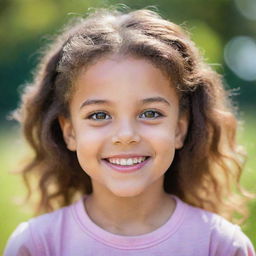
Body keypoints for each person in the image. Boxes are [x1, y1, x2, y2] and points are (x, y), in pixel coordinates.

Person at [4, 6, 255, 256]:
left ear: (179, 128)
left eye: (150, 113)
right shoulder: (37, 245)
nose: (125, 135)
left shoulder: (220, 245)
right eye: (99, 115)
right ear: (69, 132)